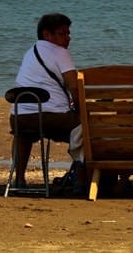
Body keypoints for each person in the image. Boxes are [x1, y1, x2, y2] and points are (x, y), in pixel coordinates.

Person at [10, 13, 86, 191]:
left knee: (23, 135)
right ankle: (82, 180)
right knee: (87, 127)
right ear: (47, 35)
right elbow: (74, 87)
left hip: (19, 118)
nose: (68, 38)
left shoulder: (30, 52)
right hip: (50, 118)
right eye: (62, 34)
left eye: (68, 33)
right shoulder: (60, 52)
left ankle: (19, 179)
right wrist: (81, 111)